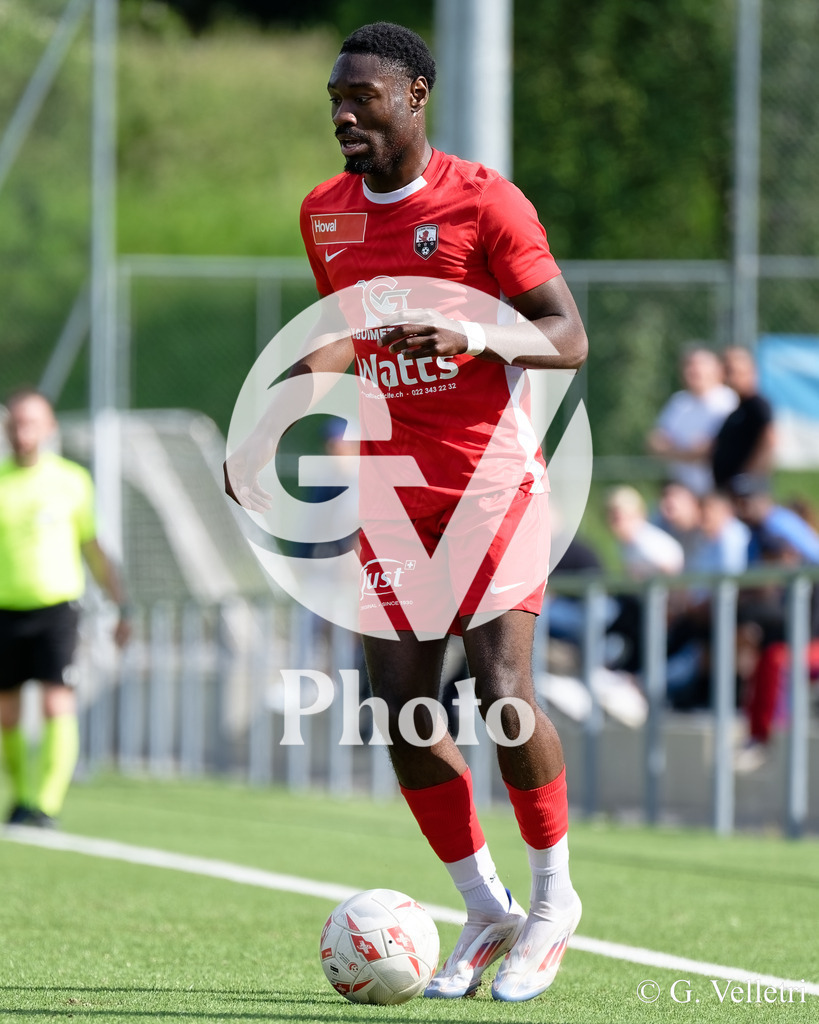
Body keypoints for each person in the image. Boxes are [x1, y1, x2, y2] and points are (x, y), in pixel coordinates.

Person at [226, 22, 587, 1003]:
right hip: (391, 490)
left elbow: (567, 335)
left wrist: (476, 334)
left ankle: (553, 898)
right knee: (398, 706)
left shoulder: (485, 200)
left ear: (415, 96)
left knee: (501, 687)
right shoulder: (326, 214)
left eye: (362, 97)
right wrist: (263, 431)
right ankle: (485, 906)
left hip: (489, 481)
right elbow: (341, 336)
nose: (343, 115)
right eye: (334, 100)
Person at [0, 390, 130, 827]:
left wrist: (121, 605)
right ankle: (22, 797)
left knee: (57, 703)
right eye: (16, 423)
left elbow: (92, 548)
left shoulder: (71, 481)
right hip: (5, 610)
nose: (23, 432)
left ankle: (45, 805)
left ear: (49, 427)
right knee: (7, 713)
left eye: (31, 423)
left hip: (56, 608)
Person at [647, 346, 737, 496]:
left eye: (700, 364)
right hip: (683, 491)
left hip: (720, 492)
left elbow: (712, 450)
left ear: (718, 370)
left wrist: (672, 451)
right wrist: (689, 453)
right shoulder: (679, 402)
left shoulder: (728, 402)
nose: (693, 370)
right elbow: (654, 443)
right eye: (689, 365)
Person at [711, 346, 775, 491]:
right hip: (728, 488)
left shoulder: (757, 404)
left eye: (733, 371)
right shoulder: (737, 407)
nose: (729, 378)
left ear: (751, 372)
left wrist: (749, 479)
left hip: (744, 491)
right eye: (726, 371)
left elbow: (769, 440)